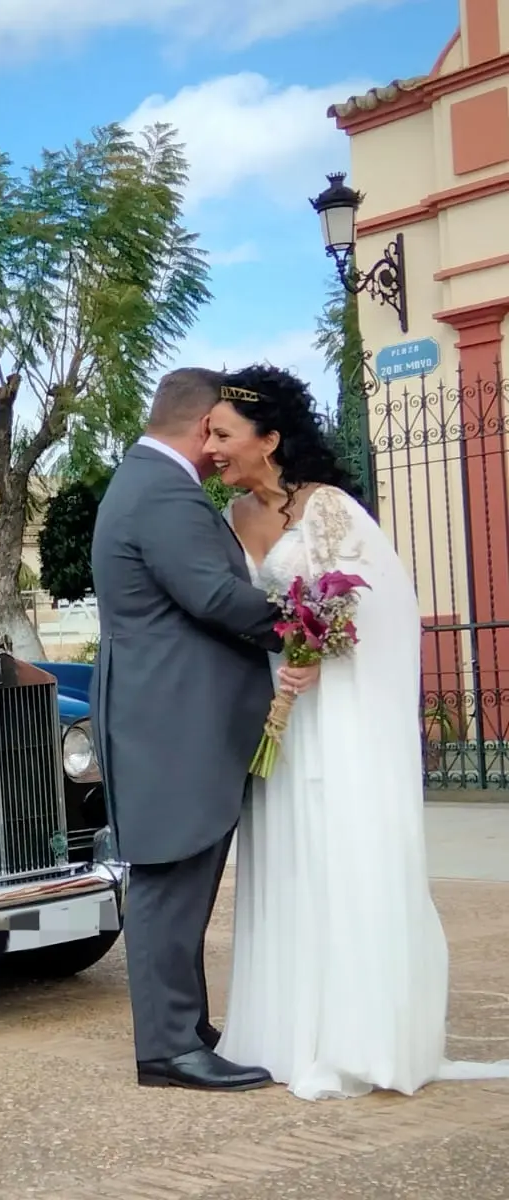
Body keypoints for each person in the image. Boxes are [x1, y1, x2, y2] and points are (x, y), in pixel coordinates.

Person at [202, 364, 509, 1101]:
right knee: (291, 858)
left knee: (348, 849)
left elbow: (382, 609)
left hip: (342, 716)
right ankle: (287, 1031)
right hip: (284, 715)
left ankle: (357, 1036)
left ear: (269, 438)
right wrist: (284, 655)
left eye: (223, 432)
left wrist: (316, 647)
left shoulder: (329, 507)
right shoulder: (235, 516)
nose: (210, 446)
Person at [90, 367, 319, 1091]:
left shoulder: (148, 483)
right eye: (216, 431)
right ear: (198, 426)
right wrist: (308, 625)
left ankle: (184, 1027)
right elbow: (215, 595)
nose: (218, 447)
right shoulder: (160, 490)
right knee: (169, 880)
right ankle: (167, 1048)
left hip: (173, 719)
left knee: (185, 878)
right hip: (170, 724)